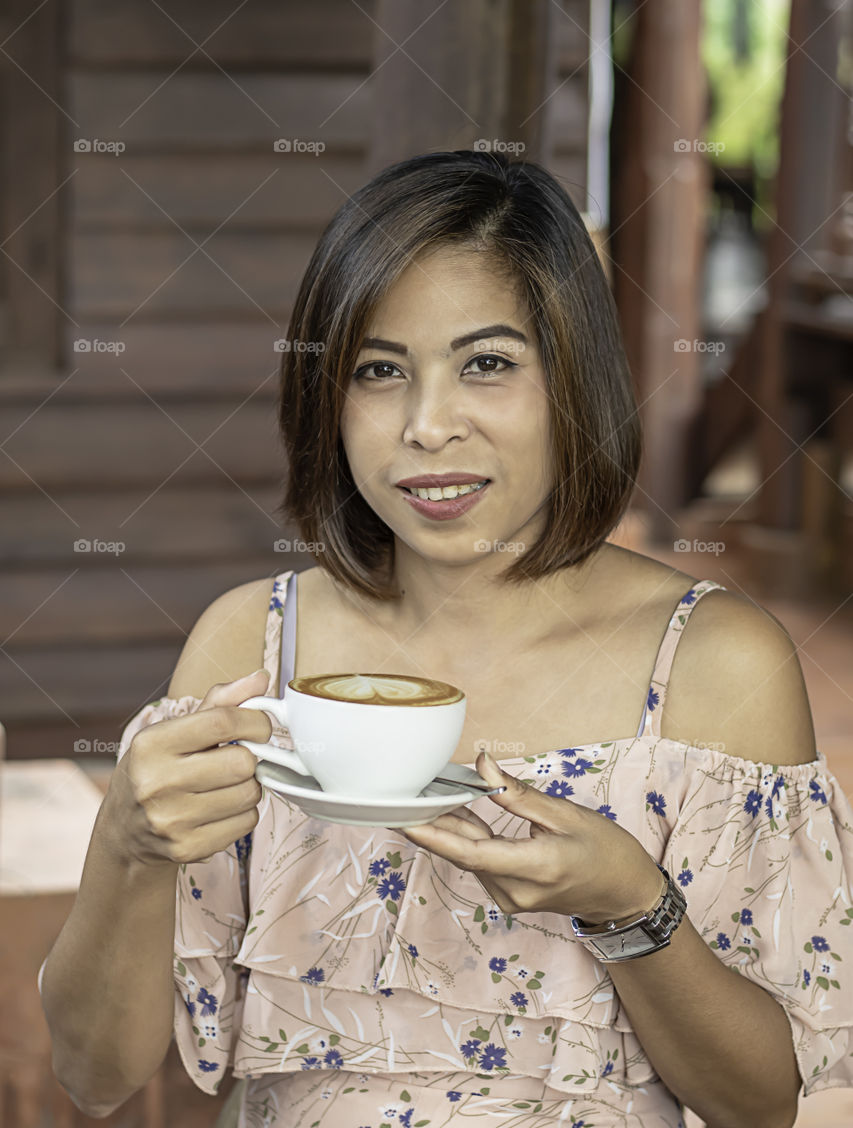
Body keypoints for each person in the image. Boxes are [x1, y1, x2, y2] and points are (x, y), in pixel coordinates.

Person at [39, 150, 853, 1127]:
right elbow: (94, 1073)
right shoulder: (252, 648)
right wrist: (129, 843)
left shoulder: (713, 665)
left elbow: (763, 1103)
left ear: (572, 381)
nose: (427, 426)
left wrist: (634, 906)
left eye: (487, 364)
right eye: (380, 370)